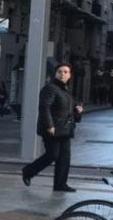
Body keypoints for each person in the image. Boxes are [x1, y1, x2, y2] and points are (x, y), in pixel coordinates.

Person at [22, 62, 83, 192]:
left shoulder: (66, 90)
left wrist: (78, 110)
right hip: (53, 129)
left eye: (65, 72)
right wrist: (49, 125)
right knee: (52, 155)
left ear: (69, 75)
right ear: (55, 74)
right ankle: (28, 171)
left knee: (64, 158)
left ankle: (60, 184)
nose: (62, 74)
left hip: (65, 129)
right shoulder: (50, 88)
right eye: (60, 72)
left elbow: (70, 110)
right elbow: (45, 107)